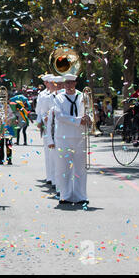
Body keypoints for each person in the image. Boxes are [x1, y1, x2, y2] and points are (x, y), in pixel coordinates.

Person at [47, 74, 92, 205]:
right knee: (63, 168)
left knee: (80, 169)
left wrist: (89, 118)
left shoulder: (83, 96)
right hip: (63, 137)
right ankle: (65, 195)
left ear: (75, 83)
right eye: (66, 83)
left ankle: (81, 196)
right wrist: (78, 121)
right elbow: (60, 116)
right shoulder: (58, 98)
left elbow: (89, 111)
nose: (68, 85)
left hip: (80, 136)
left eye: (71, 82)